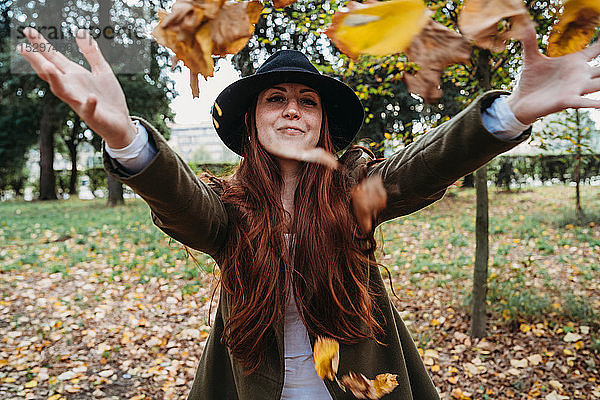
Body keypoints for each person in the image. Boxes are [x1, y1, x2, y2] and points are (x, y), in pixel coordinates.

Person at [17, 23, 600, 400]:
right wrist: (127, 142)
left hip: (359, 385)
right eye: (276, 99)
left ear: (323, 121)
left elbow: (422, 168)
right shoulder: (230, 211)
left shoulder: (356, 194)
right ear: (253, 120)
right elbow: (184, 204)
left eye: (307, 102)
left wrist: (509, 116)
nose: (292, 111)